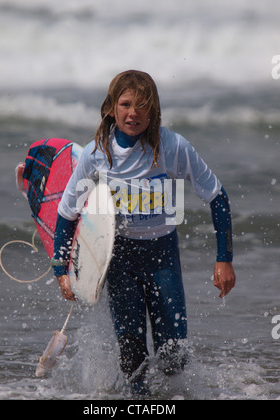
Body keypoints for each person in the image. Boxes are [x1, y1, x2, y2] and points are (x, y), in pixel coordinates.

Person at [51, 70, 236, 394]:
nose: (133, 112)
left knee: (173, 356)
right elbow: (67, 213)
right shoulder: (97, 153)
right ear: (111, 107)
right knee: (132, 358)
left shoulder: (173, 147)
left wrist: (224, 259)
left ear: (153, 111)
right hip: (120, 260)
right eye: (125, 104)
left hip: (163, 256)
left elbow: (217, 197)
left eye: (141, 105)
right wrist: (61, 270)